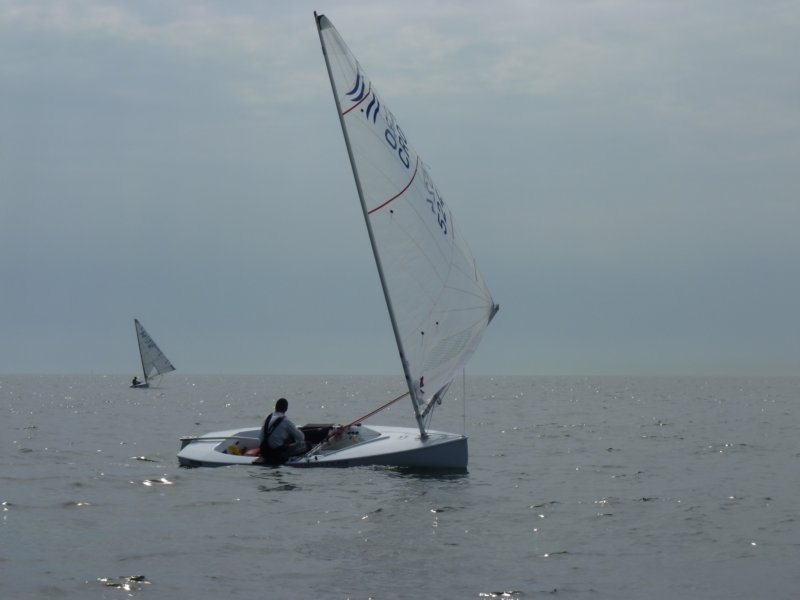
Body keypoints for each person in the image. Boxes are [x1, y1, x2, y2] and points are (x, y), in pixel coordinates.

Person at [258, 397, 306, 463]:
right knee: (306, 445)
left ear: (275, 407)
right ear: (286, 409)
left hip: (264, 452)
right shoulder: (285, 421)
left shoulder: (267, 417)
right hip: (276, 454)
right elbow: (301, 437)